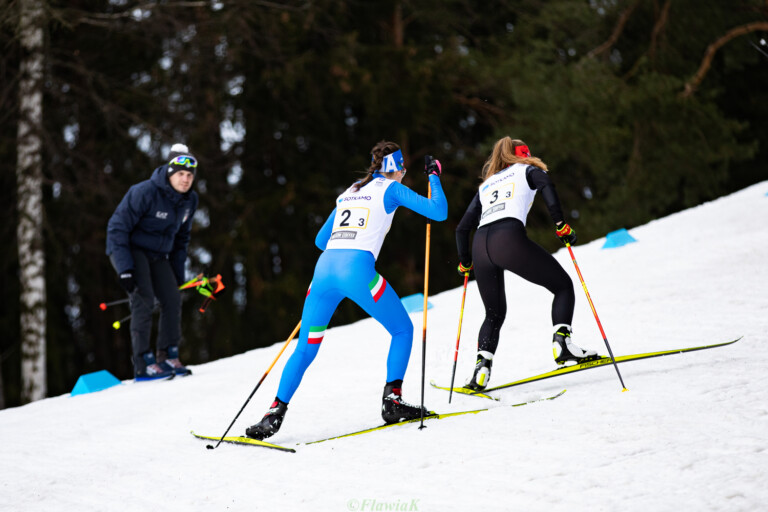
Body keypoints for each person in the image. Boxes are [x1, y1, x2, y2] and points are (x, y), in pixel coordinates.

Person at [246, 141, 448, 440]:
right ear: (398, 169)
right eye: (404, 169)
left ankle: (273, 412)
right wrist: (433, 176)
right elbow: (438, 211)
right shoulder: (390, 189)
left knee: (305, 347)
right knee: (402, 329)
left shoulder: (351, 189)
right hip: (356, 271)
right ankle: (392, 400)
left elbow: (319, 239)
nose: (405, 174)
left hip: (323, 273)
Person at [455, 137, 597, 391]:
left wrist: (465, 262)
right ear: (523, 154)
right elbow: (547, 185)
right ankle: (562, 344)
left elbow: (462, 228)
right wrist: (559, 223)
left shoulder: (486, 185)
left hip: (480, 245)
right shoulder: (528, 170)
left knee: (494, 313)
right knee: (563, 286)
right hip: (507, 239)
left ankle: (481, 370)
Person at [106, 143, 199, 381]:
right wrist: (125, 268)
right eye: (180, 174)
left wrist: (177, 274)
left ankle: (167, 355)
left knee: (172, 298)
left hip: (159, 256)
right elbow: (117, 228)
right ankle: (143, 364)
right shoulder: (145, 192)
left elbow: (181, 239)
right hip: (131, 250)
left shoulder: (189, 201)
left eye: (189, 175)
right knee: (144, 298)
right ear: (170, 173)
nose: (185, 180)